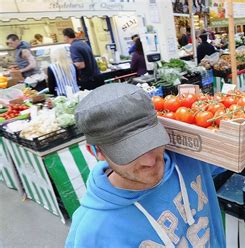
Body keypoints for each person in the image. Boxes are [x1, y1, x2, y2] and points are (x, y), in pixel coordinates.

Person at [65, 83, 227, 247]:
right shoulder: (93, 234)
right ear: (96, 152)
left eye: (152, 141)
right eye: (128, 152)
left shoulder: (189, 157)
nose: (150, 161)